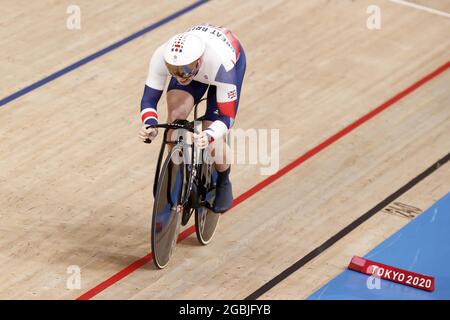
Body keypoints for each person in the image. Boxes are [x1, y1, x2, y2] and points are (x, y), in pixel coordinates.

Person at [138, 23, 246, 213]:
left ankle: (223, 180)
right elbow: (149, 100)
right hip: (200, 69)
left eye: (184, 70)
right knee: (174, 119)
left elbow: (227, 118)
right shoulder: (163, 57)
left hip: (223, 68)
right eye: (174, 70)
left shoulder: (222, 67)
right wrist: (150, 124)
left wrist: (210, 134)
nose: (180, 76)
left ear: (198, 60)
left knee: (212, 139)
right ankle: (181, 173)